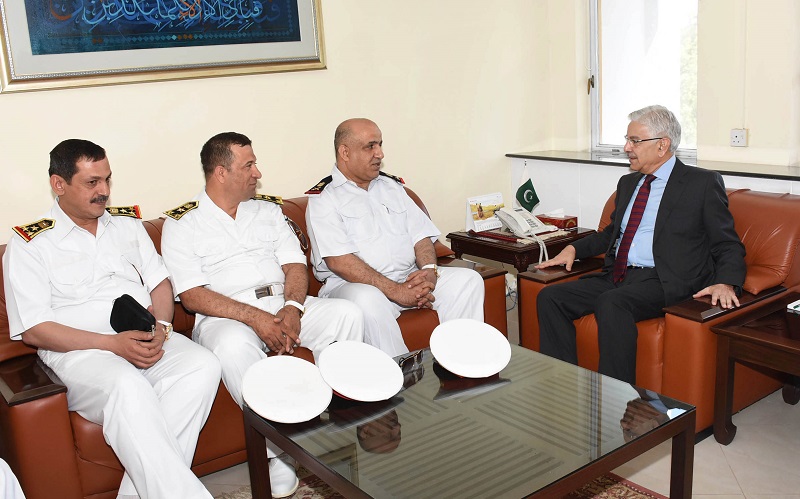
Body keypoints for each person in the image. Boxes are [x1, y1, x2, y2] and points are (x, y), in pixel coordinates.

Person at [2, 139, 221, 499]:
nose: (103, 191)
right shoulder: (30, 243)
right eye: (92, 183)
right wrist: (111, 344)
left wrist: (163, 329)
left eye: (107, 180)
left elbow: (160, 283)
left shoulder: (127, 226)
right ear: (59, 184)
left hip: (144, 336)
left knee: (202, 364)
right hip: (80, 354)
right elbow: (34, 330)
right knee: (126, 386)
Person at [160, 132, 364, 498]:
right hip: (226, 316)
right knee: (231, 347)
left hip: (283, 303)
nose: (258, 172)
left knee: (346, 314)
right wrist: (255, 318)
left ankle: (343, 428)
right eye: (248, 165)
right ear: (220, 172)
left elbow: (295, 266)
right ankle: (278, 454)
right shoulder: (181, 223)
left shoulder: (269, 210)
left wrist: (292, 308)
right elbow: (191, 296)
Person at [536, 105, 746, 384]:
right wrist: (575, 248)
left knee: (612, 303)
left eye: (635, 141)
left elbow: (727, 242)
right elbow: (612, 233)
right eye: (627, 139)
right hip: (619, 274)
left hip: (664, 279)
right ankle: (561, 386)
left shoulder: (702, 183)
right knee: (551, 297)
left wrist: (726, 281)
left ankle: (615, 401)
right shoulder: (628, 183)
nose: (626, 147)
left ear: (663, 145)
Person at [305, 118, 485, 357]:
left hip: (406, 277)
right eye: (370, 146)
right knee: (367, 299)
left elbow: (422, 236)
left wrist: (429, 272)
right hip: (354, 286)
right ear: (344, 152)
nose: (379, 153)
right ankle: (400, 379)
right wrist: (395, 290)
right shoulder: (323, 199)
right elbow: (340, 262)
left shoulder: (392, 188)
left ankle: (463, 361)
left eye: (379, 144)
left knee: (467, 280)